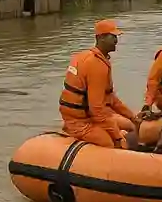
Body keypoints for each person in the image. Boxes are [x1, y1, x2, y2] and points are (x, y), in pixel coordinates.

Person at [59, 19, 139, 149]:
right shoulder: (95, 65)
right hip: (80, 121)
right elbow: (96, 110)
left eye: (116, 37)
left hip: (87, 116)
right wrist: (117, 136)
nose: (116, 41)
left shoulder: (90, 57)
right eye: (112, 37)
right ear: (101, 38)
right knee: (110, 144)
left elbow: (111, 98)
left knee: (129, 125)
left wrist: (132, 116)